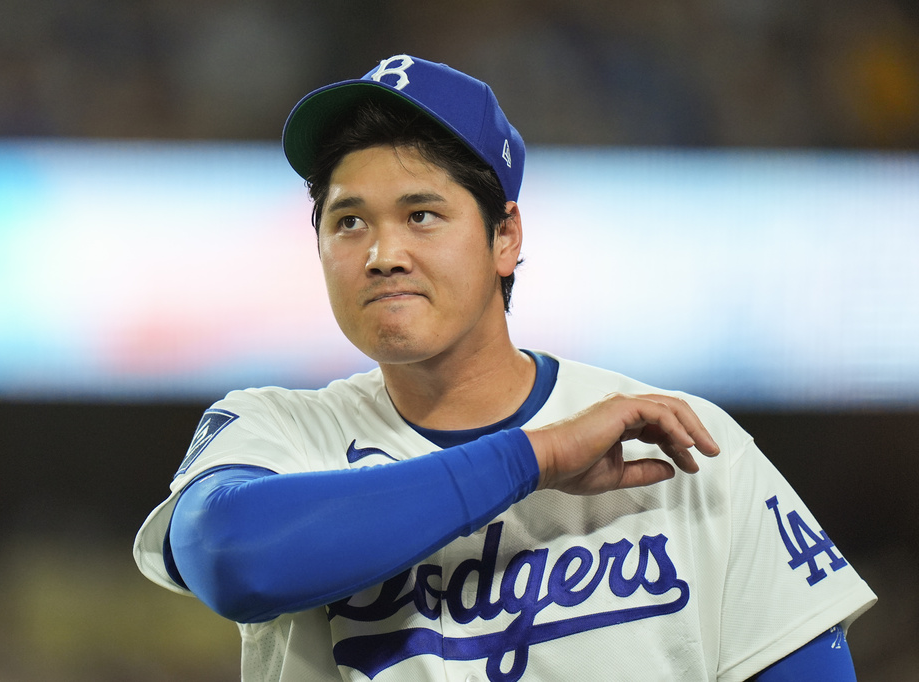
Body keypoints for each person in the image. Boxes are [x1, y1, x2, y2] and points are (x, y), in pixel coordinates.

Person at [134, 54, 876, 681]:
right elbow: (232, 559)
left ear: (505, 238)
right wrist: (535, 458)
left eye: (422, 215)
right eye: (348, 220)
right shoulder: (280, 431)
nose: (383, 253)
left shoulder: (681, 444)